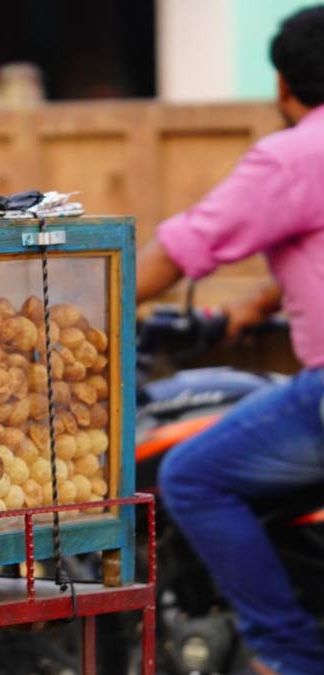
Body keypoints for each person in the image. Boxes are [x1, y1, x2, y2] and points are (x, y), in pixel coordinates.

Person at [135, 7, 324, 675]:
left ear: (282, 85)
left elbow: (182, 250)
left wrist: (86, 306)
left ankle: (290, 654)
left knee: (192, 475)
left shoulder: (295, 155)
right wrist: (259, 302)